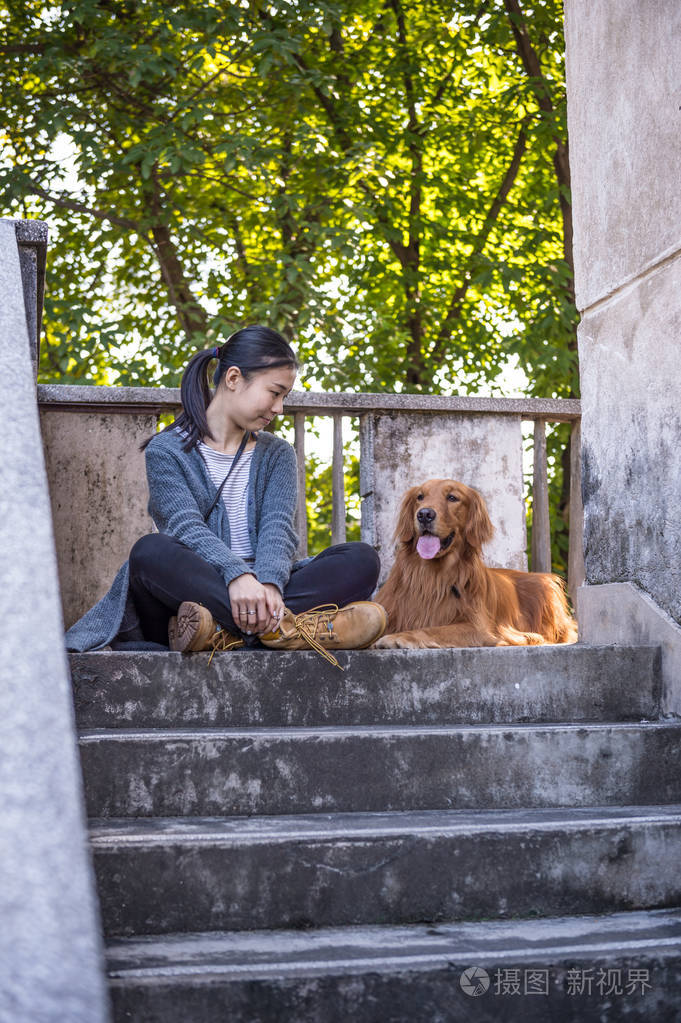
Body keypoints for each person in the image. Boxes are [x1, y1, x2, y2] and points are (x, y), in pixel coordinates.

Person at [65, 325, 387, 666]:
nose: (279, 408)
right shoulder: (166, 450)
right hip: (201, 590)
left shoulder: (277, 453)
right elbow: (184, 526)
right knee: (149, 552)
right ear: (233, 378)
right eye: (275, 392)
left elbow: (278, 528)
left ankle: (226, 634)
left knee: (362, 559)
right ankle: (286, 630)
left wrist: (270, 586)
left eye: (284, 397)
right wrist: (237, 577)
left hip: (264, 588)